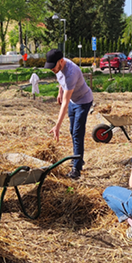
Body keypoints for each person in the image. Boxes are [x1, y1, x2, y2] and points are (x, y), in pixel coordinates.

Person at [44, 49, 94, 179]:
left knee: (77, 132)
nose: (51, 69)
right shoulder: (58, 67)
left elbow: (65, 104)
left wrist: (57, 126)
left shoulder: (72, 72)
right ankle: (78, 158)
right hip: (73, 100)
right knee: (73, 130)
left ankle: (76, 169)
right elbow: (62, 81)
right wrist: (60, 91)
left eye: (53, 66)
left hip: (83, 101)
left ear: (61, 61)